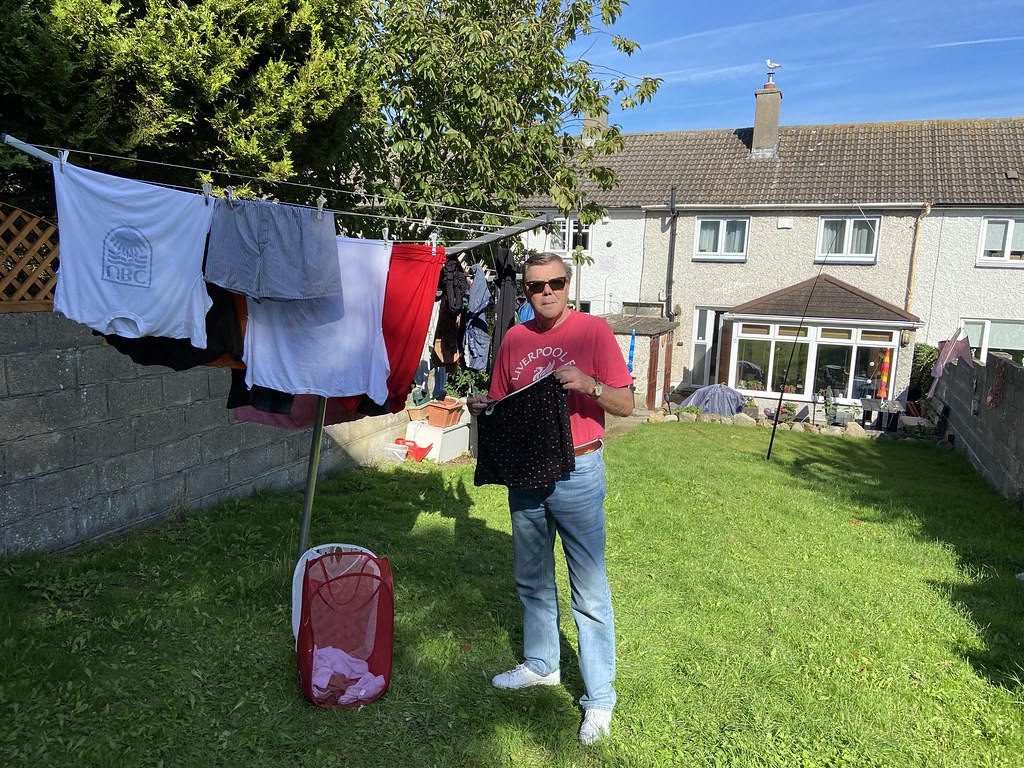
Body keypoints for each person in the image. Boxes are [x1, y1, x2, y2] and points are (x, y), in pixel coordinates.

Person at [468, 251, 634, 745]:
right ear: (525, 290)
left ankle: (599, 697)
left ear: (568, 284)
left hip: (579, 468)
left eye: (556, 283)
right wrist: (485, 406)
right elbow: (505, 402)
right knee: (532, 578)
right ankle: (542, 664)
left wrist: (588, 383)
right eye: (537, 286)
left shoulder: (594, 332)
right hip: (525, 471)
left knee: (589, 589)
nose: (547, 292)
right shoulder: (515, 340)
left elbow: (626, 403)